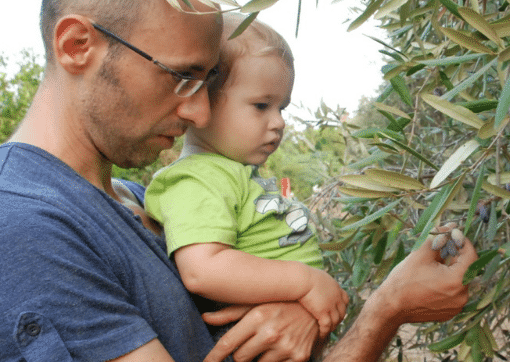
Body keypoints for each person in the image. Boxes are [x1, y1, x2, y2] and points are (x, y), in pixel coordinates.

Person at [0, 0, 477, 361]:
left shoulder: (139, 202)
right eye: (180, 77)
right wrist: (384, 310)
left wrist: (293, 312)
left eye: (207, 83)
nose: (200, 112)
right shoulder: (26, 227)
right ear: (77, 46)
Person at [143, 12, 348, 342]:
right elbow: (202, 269)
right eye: (261, 105)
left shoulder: (234, 172)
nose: (279, 122)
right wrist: (307, 282)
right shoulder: (195, 181)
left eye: (282, 107)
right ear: (201, 99)